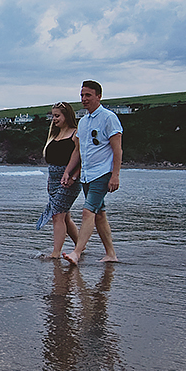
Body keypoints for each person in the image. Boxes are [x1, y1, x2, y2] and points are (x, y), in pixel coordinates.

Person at [67, 80, 122, 264]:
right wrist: (69, 172)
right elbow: (78, 151)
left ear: (99, 96)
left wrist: (115, 175)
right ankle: (111, 254)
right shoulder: (82, 122)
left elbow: (117, 150)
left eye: (88, 95)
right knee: (99, 214)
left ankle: (77, 252)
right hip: (86, 175)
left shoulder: (109, 118)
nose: (84, 99)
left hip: (102, 173)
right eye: (82, 95)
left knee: (87, 211)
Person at [36, 102, 83, 260]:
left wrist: (74, 176)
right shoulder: (54, 135)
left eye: (57, 116)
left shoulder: (75, 134)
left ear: (66, 116)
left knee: (57, 215)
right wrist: (50, 181)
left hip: (69, 180)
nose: (54, 119)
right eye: (53, 115)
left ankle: (56, 253)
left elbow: (82, 158)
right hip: (54, 180)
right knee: (65, 216)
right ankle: (80, 246)